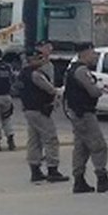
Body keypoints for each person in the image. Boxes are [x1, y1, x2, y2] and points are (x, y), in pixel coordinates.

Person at [63, 42, 108, 194]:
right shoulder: (82, 71)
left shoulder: (72, 69)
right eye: (92, 53)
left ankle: (79, 180)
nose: (95, 56)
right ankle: (102, 178)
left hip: (77, 112)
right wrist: (99, 89)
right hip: (84, 113)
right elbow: (93, 91)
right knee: (99, 145)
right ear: (84, 53)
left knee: (81, 147)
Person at [19, 48, 68, 184]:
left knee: (34, 140)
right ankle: (53, 170)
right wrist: (60, 91)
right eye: (39, 58)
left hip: (29, 109)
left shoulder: (23, 73)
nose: (42, 61)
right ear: (31, 60)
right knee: (50, 139)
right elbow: (50, 89)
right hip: (40, 110)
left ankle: (35, 170)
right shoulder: (36, 74)